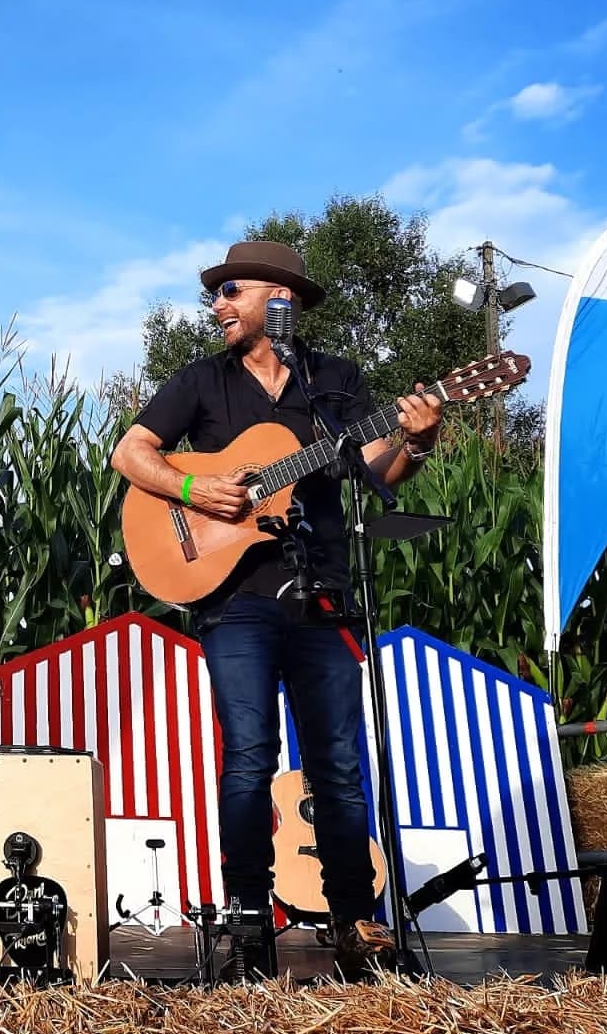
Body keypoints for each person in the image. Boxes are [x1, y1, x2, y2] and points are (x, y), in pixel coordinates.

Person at [108, 240, 443, 973]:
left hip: (323, 595)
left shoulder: (335, 382)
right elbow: (129, 453)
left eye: (232, 291)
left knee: (339, 765)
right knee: (249, 758)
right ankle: (249, 918)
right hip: (236, 601)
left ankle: (356, 921)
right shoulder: (201, 380)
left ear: (279, 298)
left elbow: (376, 471)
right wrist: (194, 489)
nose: (217, 306)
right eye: (217, 294)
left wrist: (418, 444)